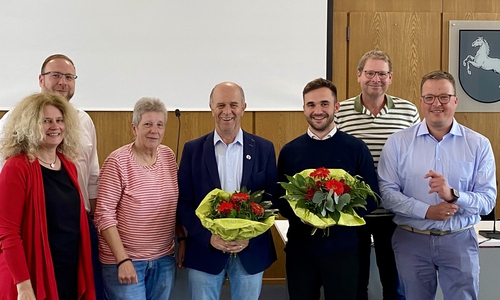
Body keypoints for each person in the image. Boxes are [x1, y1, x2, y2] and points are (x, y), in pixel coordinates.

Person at [377, 70, 497, 299]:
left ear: (455, 100)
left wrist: (454, 195)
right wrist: (428, 211)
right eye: (429, 97)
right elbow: (387, 194)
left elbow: (488, 201)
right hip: (411, 240)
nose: (436, 104)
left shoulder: (478, 144)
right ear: (421, 101)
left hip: (459, 240)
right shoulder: (398, 142)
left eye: (443, 97)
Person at [0, 53, 104, 299]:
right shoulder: (17, 166)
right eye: (46, 121)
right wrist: (23, 286)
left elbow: (91, 179)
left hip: (67, 264)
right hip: (33, 265)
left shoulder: (65, 163)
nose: (54, 126)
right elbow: (8, 231)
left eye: (59, 120)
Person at [277, 78, 378, 300]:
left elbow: (372, 199)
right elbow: (281, 200)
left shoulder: (356, 149)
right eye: (311, 105)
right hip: (301, 251)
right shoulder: (290, 151)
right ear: (304, 108)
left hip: (344, 251)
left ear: (336, 107)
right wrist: (304, 216)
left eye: (324, 103)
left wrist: (336, 215)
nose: (318, 111)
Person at [177, 81, 277, 300]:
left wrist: (249, 235)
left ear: (244, 107)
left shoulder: (263, 148)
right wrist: (209, 237)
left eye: (233, 104)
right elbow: (184, 203)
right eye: (220, 105)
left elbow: (271, 201)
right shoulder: (192, 150)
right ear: (211, 107)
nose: (227, 111)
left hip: (250, 251)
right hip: (205, 250)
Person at [335, 50, 419, 300]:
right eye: (369, 73)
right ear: (359, 76)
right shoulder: (341, 111)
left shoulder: (408, 111)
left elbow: (416, 156)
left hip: (394, 212)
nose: (375, 78)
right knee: (356, 281)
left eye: (382, 73)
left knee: (395, 282)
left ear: (390, 77)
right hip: (354, 211)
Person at [94, 97, 185, 299]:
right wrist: (122, 260)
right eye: (147, 124)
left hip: (163, 259)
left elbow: (173, 204)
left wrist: (182, 238)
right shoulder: (117, 162)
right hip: (126, 261)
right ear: (134, 128)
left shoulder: (168, 156)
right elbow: (103, 216)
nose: (154, 130)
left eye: (159, 124)